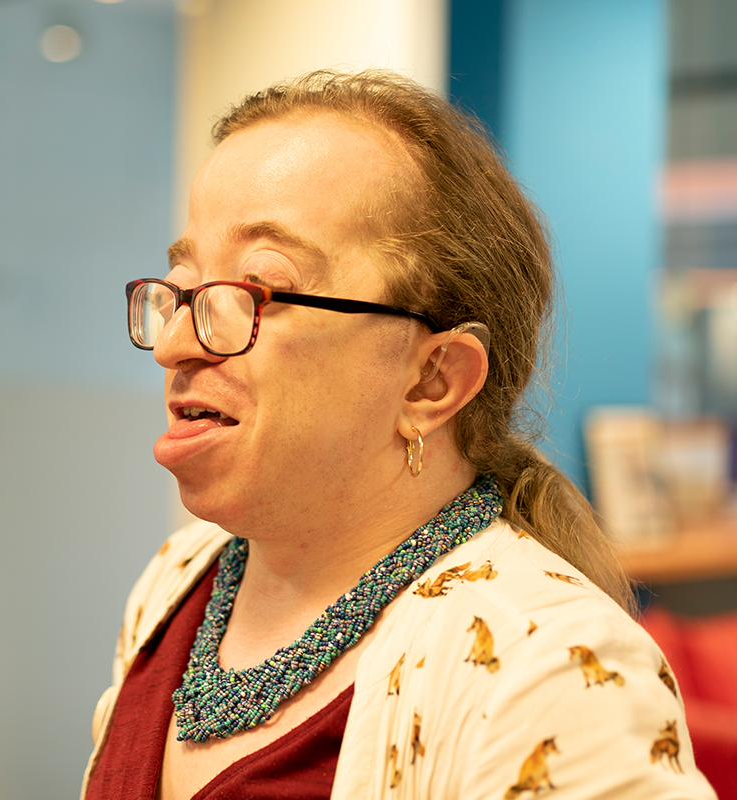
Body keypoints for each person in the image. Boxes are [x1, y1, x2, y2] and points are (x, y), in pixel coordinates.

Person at [81, 70, 715, 799]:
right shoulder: (177, 581)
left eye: (254, 289)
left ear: (432, 380)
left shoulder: (552, 669)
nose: (174, 347)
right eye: (184, 285)